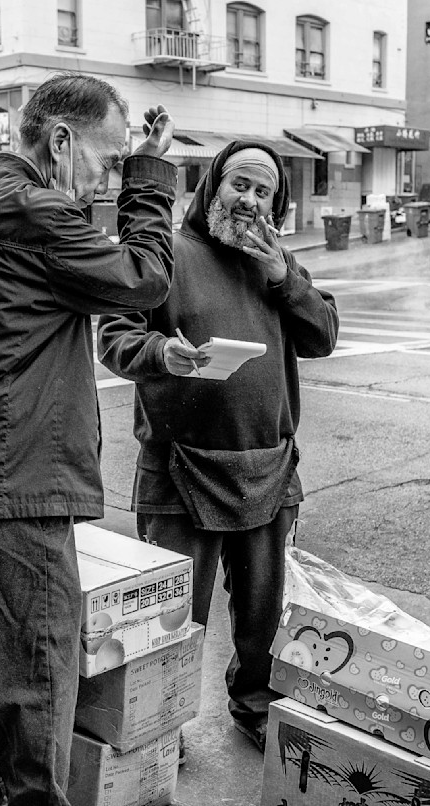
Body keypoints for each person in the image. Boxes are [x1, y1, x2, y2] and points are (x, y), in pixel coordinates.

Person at [0, 73, 178, 806]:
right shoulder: (32, 208)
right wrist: (151, 181)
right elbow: (145, 278)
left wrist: (132, 167)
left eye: (122, 167)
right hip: (9, 481)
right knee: (35, 682)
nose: (108, 177)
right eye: (109, 159)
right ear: (59, 140)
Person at [97, 142, 339, 754]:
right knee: (172, 617)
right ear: (212, 188)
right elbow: (116, 336)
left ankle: (254, 704)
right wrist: (162, 355)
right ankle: (159, 724)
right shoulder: (169, 258)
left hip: (268, 465)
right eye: (239, 185)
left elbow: (323, 336)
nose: (250, 201)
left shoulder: (279, 264)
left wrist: (286, 279)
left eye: (263, 192)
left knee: (263, 612)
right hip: (180, 469)